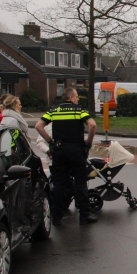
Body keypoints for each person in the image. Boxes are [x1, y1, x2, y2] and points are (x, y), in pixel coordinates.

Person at [35, 88, 98, 226]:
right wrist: (88, 143)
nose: (78, 99)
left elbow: (38, 126)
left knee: (59, 184)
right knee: (80, 182)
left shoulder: (54, 111)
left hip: (59, 150)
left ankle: (57, 216)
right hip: (76, 149)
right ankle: (84, 215)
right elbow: (92, 124)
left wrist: (51, 142)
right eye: (76, 96)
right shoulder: (79, 110)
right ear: (70, 98)